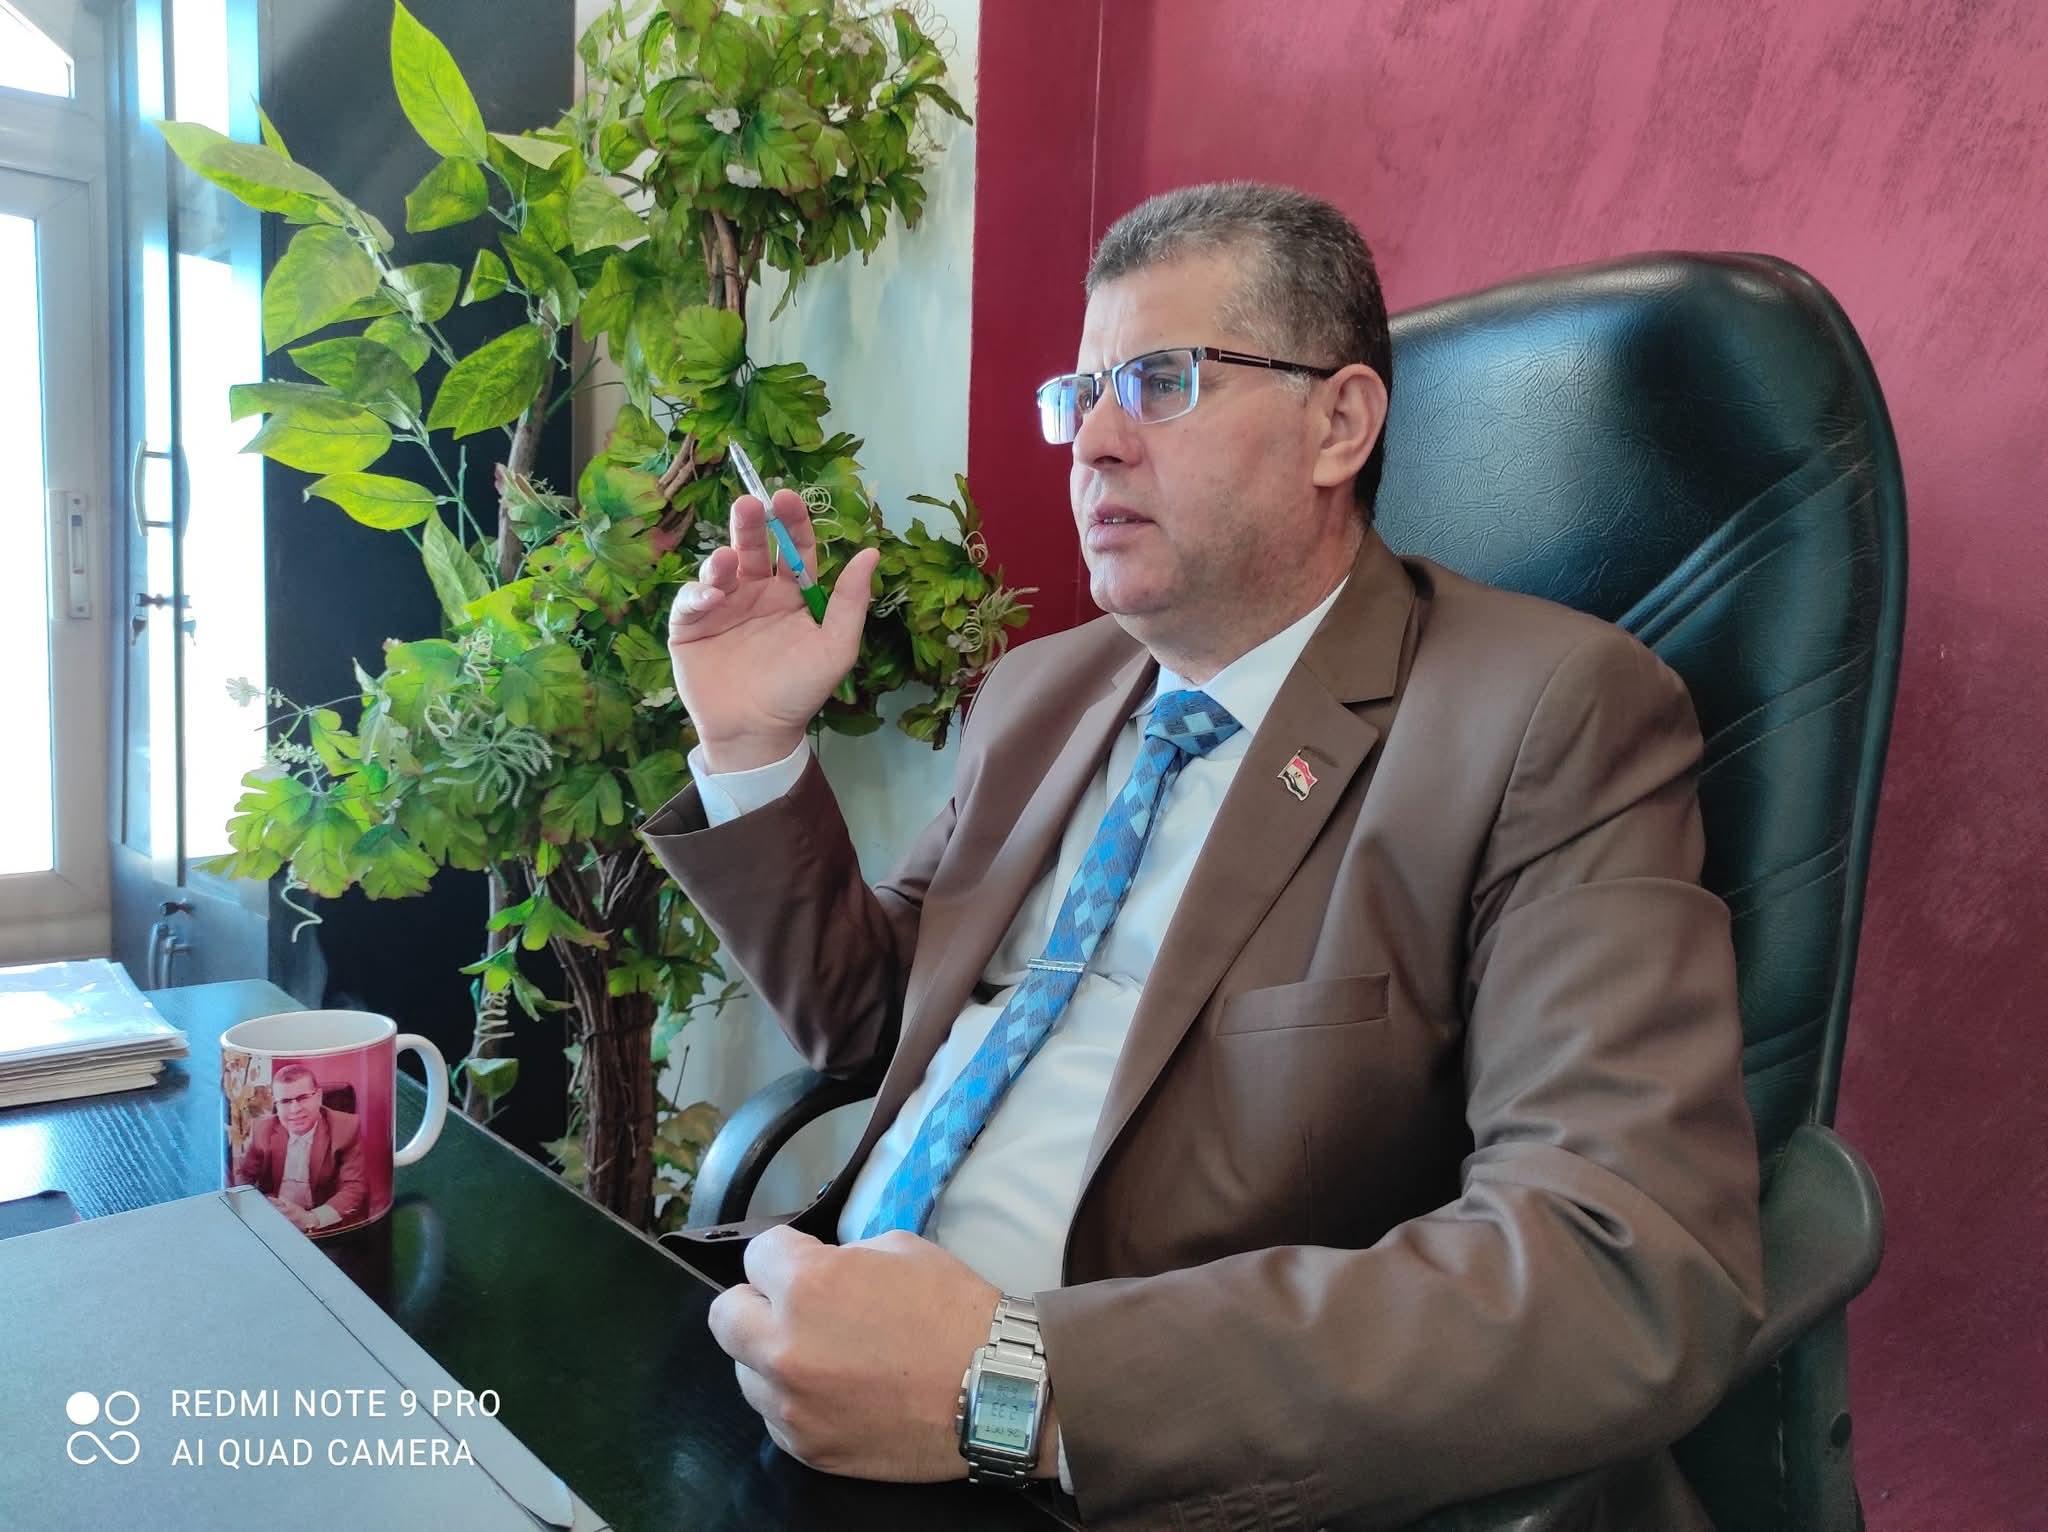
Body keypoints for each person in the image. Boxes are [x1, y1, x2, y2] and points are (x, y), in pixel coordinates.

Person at [642, 181, 1763, 1530]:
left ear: (1338, 424)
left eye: (1161, 382)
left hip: (1121, 1474)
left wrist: (1017, 1384)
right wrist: (754, 743)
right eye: (1081, 393)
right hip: (819, 1372)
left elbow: (1618, 1265)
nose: (1093, 442)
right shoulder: (1043, 691)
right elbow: (875, 1022)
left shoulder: (1546, 714)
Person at [232, 1062, 366, 1233]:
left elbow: (354, 1187)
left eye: (303, 1098)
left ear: (318, 1096)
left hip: (321, 1224)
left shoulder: (345, 1128)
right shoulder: (262, 1129)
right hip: (274, 1220)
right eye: (285, 1101)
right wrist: (261, 1206)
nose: (295, 1109)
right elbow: (245, 1177)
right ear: (277, 1104)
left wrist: (311, 1218)